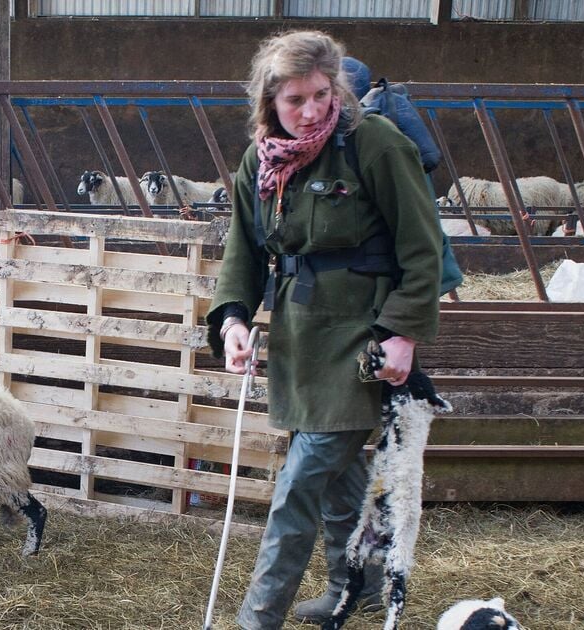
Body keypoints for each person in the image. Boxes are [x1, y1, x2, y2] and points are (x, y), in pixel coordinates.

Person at [205, 31, 442, 629]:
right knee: (338, 479)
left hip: (361, 341)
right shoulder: (260, 161)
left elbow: (424, 249)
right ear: (269, 102)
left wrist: (403, 335)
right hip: (299, 338)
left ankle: (257, 619)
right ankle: (352, 584)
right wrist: (234, 317)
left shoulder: (374, 144)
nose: (311, 111)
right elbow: (244, 248)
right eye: (295, 100)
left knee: (299, 484)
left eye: (320, 94)